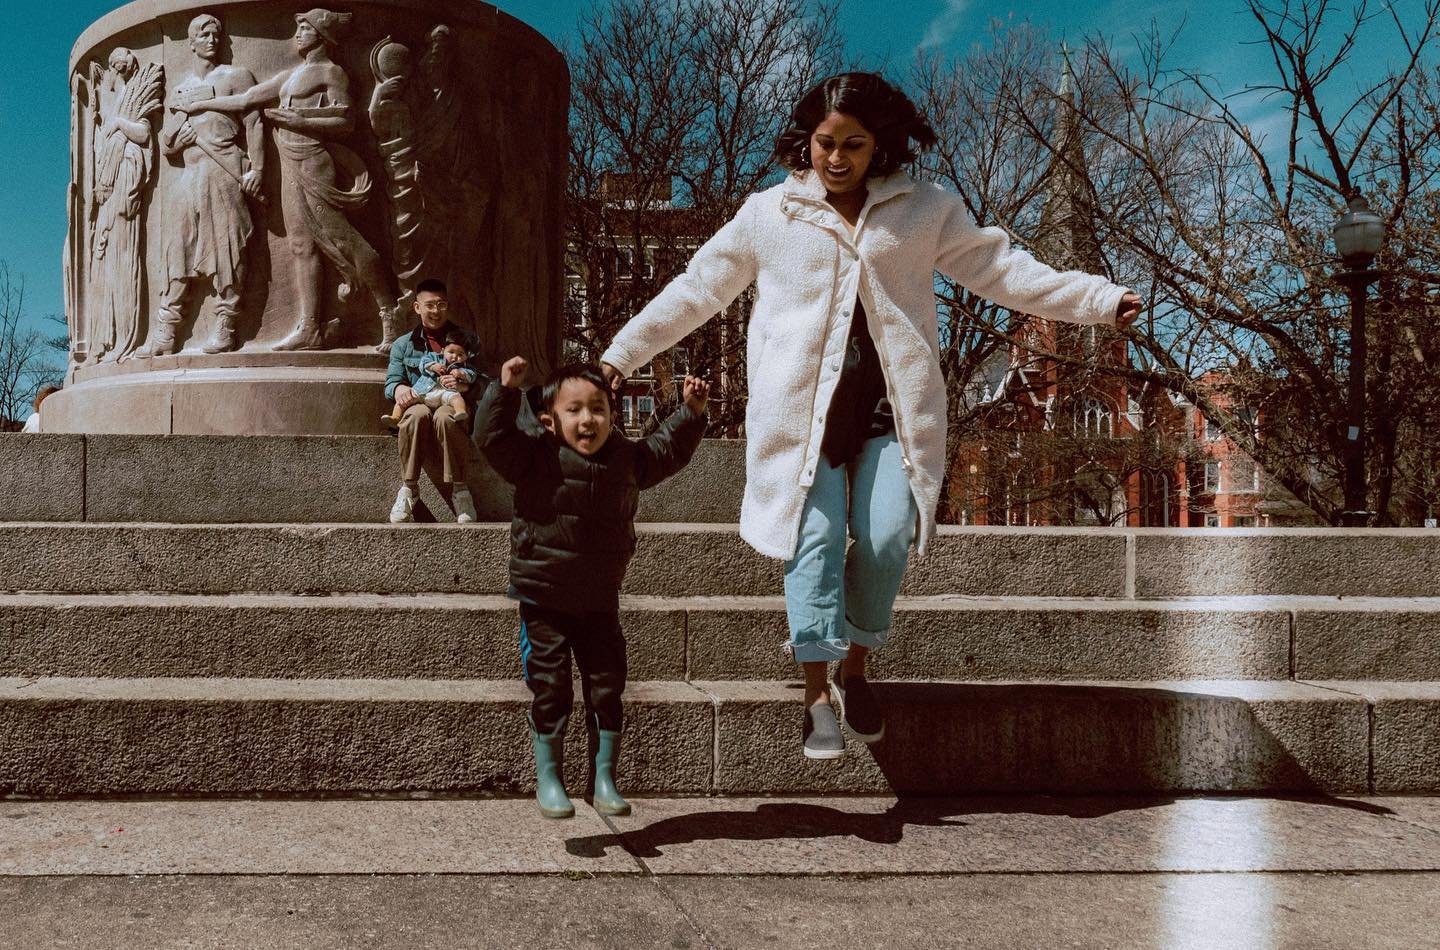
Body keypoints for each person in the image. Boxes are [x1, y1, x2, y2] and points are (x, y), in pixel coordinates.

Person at [599, 72, 1143, 760]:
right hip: (803, 423)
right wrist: (621, 356)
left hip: (891, 412)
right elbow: (697, 289)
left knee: (886, 539)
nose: (836, 158)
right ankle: (816, 695)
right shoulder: (770, 214)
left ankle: (857, 672)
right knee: (816, 544)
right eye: (825, 143)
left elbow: (1003, 271)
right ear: (807, 141)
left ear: (879, 146)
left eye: (853, 145)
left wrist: (1097, 299)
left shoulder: (924, 210)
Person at [476, 356, 709, 819]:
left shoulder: (625, 458)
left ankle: (604, 776)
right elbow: (491, 438)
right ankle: (550, 775)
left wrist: (691, 413)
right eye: (575, 410)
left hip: (600, 599)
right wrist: (503, 391)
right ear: (549, 420)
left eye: (599, 409)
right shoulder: (534, 455)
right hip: (543, 596)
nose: (589, 420)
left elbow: (665, 450)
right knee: (552, 685)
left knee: (607, 685)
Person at [383, 278, 487, 523]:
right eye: (429, 305)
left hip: (452, 403)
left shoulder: (467, 341)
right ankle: (409, 488)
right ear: (417, 308)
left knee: (447, 417)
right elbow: (391, 382)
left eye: (441, 305)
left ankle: (460, 490)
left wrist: (466, 384)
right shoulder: (402, 344)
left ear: (447, 306)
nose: (436, 311)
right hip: (419, 403)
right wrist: (398, 390)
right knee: (415, 416)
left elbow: (486, 382)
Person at [381, 337, 474, 427]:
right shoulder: (434, 357)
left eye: (460, 355)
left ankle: (460, 412)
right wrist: (433, 366)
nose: (454, 357)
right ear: (443, 350)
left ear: (467, 356)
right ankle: (395, 417)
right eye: (451, 352)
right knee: (403, 400)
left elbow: (473, 375)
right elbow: (423, 362)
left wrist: (462, 374)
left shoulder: (464, 367)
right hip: (425, 390)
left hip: (445, 393)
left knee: (457, 399)